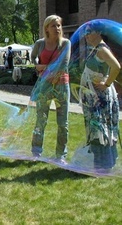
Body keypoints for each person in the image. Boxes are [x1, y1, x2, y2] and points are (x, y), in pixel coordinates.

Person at [30, 15, 71, 163]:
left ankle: (60, 155)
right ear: (46, 28)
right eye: (53, 25)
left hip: (61, 85)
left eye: (59, 25)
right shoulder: (40, 43)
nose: (57, 28)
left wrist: (44, 69)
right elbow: (33, 57)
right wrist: (36, 64)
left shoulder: (66, 43)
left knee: (63, 123)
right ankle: (36, 152)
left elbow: (64, 64)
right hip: (44, 86)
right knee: (41, 120)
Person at [79, 25, 120, 172]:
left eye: (89, 33)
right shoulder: (96, 49)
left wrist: (107, 83)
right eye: (85, 34)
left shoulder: (102, 49)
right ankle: (102, 164)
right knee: (98, 128)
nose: (86, 36)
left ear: (98, 32)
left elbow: (116, 66)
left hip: (99, 99)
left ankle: (102, 165)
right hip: (94, 97)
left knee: (99, 128)